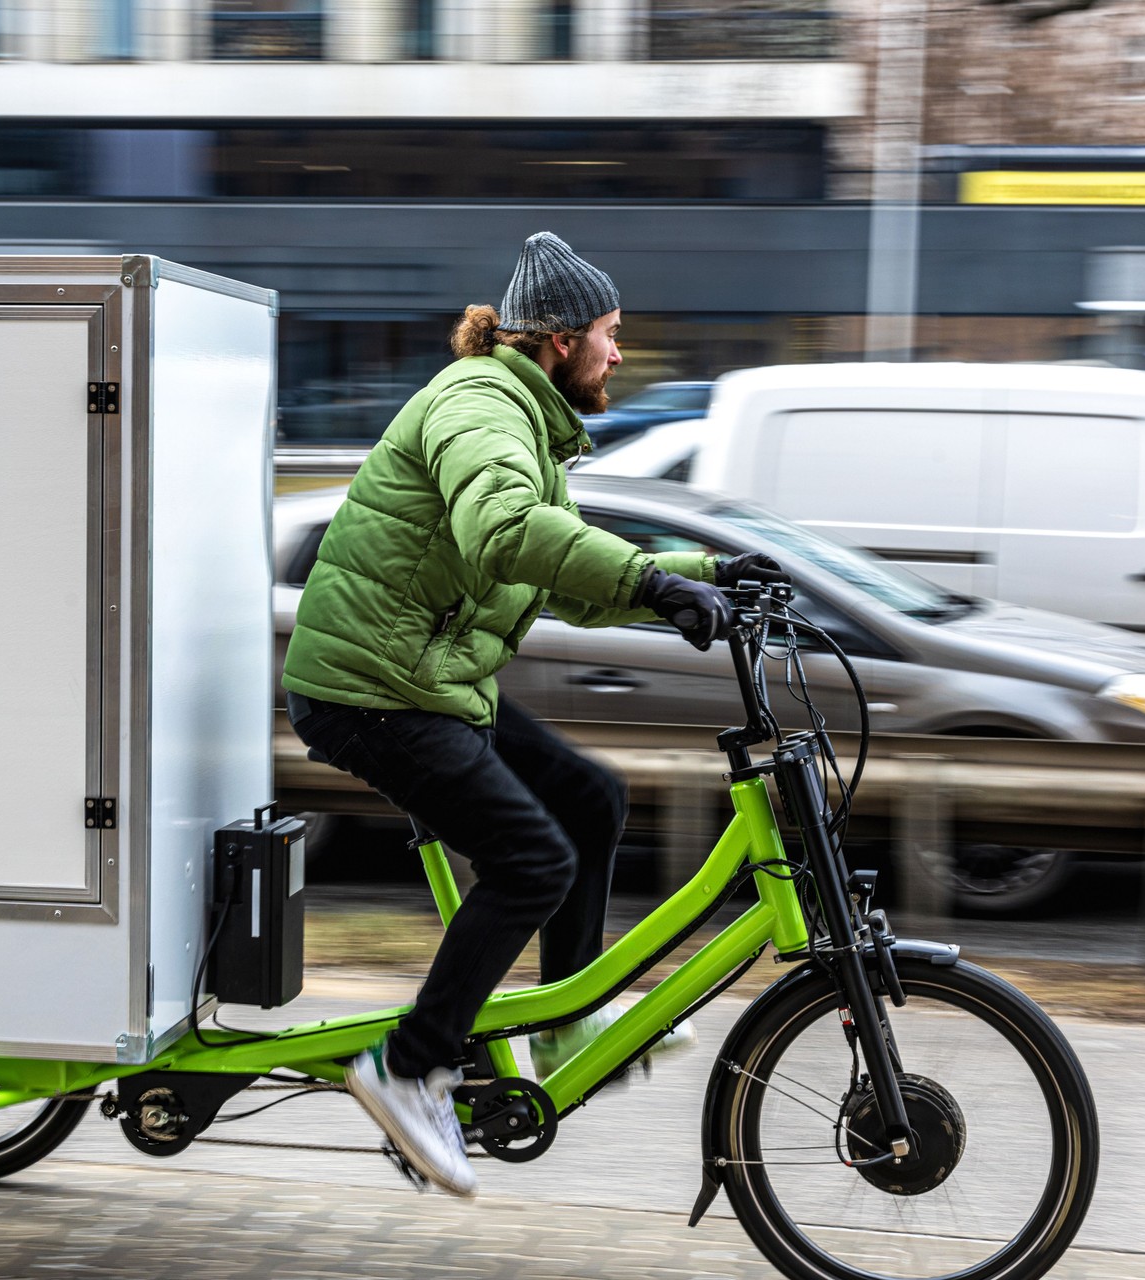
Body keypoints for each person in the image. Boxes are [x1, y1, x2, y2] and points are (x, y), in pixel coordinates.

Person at [281, 232, 787, 1196]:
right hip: (372, 689)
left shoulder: (522, 416)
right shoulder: (480, 407)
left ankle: (564, 1021)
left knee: (589, 799)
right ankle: (410, 1063)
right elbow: (506, 530)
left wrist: (702, 576)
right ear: (558, 338)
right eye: (611, 332)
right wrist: (650, 576)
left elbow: (553, 567)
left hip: (427, 677)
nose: (620, 353)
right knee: (534, 859)